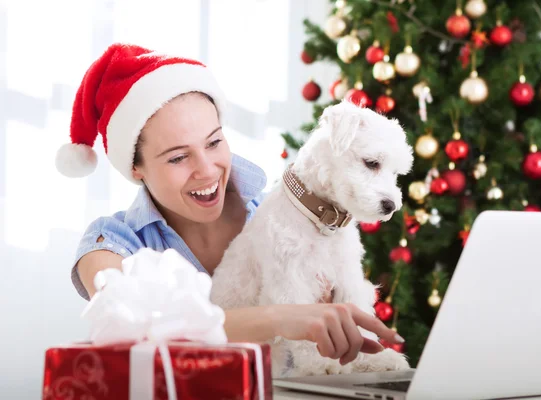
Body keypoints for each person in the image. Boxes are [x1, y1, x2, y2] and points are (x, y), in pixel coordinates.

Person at [56, 43, 404, 366]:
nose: (207, 170)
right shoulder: (112, 243)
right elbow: (138, 326)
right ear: (136, 167)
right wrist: (282, 317)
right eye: (178, 158)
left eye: (214, 142)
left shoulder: (284, 216)